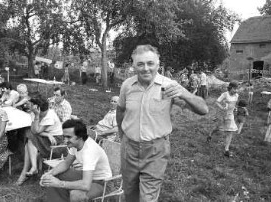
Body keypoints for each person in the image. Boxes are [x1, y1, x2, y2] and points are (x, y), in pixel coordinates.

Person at [116, 44, 208, 202]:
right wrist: (121, 134)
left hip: (155, 151)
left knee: (147, 199)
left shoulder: (169, 86)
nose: (146, 68)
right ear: (133, 66)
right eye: (140, 64)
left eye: (150, 63)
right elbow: (120, 110)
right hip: (128, 149)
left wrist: (185, 93)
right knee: (129, 193)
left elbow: (203, 110)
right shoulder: (127, 86)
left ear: (158, 64)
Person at [40, 119, 112, 202]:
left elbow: (86, 185)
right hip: (86, 175)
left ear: (80, 137)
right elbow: (66, 163)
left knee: (76, 194)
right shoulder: (75, 144)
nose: (65, 140)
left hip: (101, 183)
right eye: (64, 136)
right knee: (52, 177)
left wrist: (60, 184)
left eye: (68, 137)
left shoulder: (89, 151)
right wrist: (49, 174)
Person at [16, 95, 64, 185]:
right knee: (29, 137)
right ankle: (32, 168)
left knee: (29, 137)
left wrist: (37, 116)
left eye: (31, 104)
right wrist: (47, 134)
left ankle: (27, 171)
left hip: (55, 140)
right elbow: (34, 130)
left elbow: (35, 131)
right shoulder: (34, 112)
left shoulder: (49, 116)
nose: (29, 106)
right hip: (46, 136)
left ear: (37, 108)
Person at [207, 81, 239, 157]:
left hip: (230, 115)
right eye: (234, 89)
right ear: (230, 88)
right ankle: (210, 134)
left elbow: (234, 104)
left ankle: (226, 150)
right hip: (222, 115)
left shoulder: (236, 95)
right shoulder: (225, 94)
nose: (236, 91)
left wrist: (235, 109)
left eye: (236, 89)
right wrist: (222, 107)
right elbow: (217, 102)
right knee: (218, 128)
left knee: (230, 132)